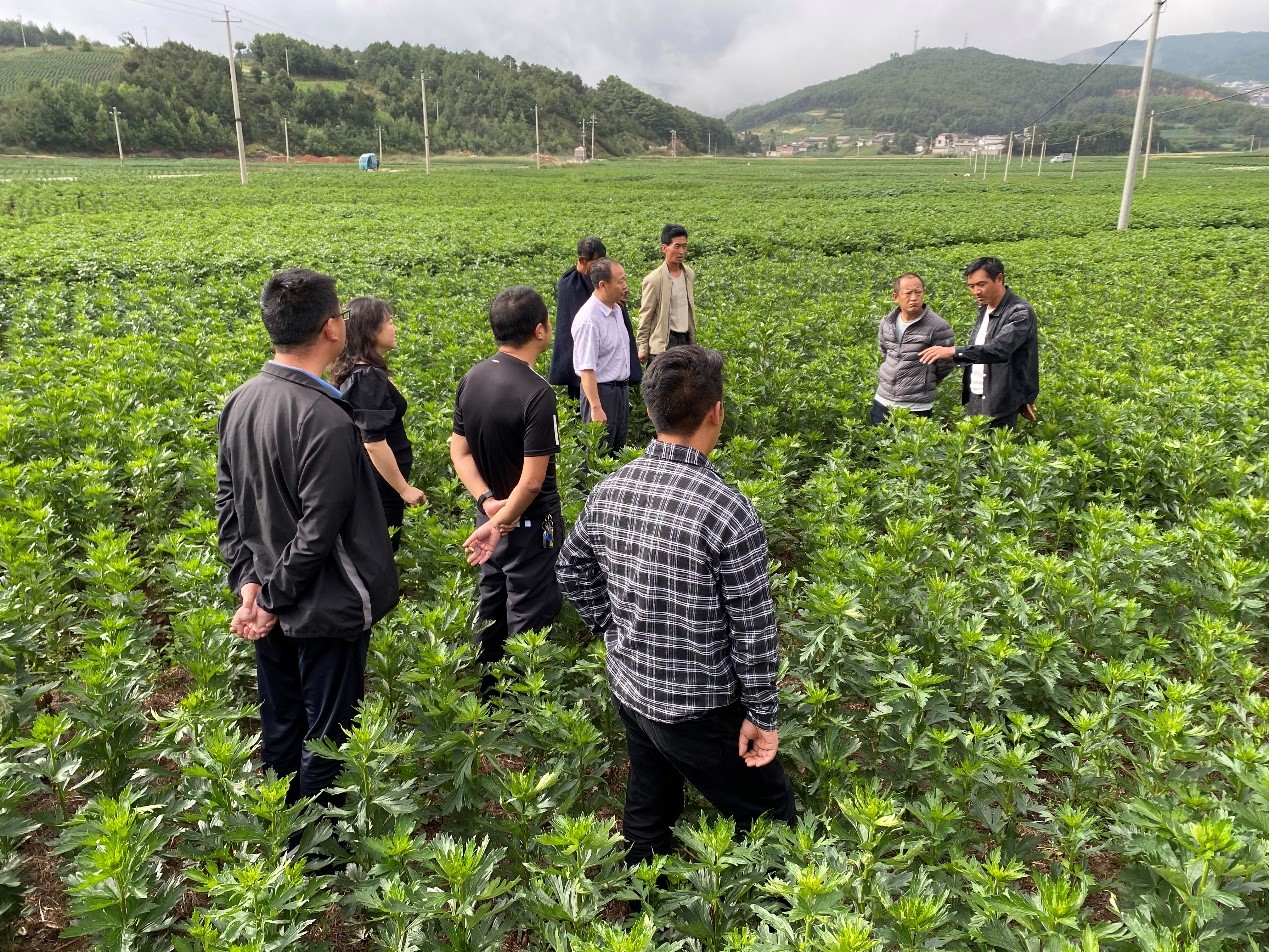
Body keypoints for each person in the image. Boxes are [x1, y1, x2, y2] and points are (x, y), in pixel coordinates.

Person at [553, 345, 797, 866]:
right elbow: (753, 629)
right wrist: (762, 715)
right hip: (701, 707)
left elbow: (570, 569)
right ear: (717, 412)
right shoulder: (727, 510)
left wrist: (613, 628)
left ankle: (645, 901)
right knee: (772, 819)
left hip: (632, 686)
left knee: (650, 802)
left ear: (649, 410)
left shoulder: (611, 488)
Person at [216, 268, 399, 806]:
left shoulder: (242, 400)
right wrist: (270, 598)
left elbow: (228, 502)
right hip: (323, 606)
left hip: (270, 598)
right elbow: (319, 530)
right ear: (331, 329)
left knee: (282, 722)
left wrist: (250, 586)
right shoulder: (325, 417)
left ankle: (281, 830)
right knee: (329, 737)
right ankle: (318, 847)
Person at [451, 286, 563, 691]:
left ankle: (488, 694)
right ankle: (520, 705)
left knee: (493, 600)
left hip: (489, 516)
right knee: (529, 609)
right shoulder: (537, 393)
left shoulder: (473, 378)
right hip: (526, 523)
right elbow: (532, 481)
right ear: (540, 330)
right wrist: (503, 520)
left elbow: (459, 451)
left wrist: (486, 502)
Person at [330, 297, 427, 551]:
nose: (395, 328)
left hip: (380, 483)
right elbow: (373, 442)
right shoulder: (366, 377)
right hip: (380, 486)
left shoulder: (364, 373)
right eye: (389, 322)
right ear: (371, 331)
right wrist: (404, 489)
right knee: (381, 551)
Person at [919, 256, 1038, 429]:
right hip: (976, 397)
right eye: (972, 286)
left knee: (994, 446)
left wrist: (953, 351)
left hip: (1000, 402)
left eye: (981, 284)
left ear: (999, 279)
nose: (976, 291)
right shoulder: (985, 308)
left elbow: (999, 350)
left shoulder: (1019, 312)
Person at [572, 257, 641, 455]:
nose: (625, 286)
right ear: (603, 285)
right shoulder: (589, 319)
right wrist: (596, 407)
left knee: (617, 452)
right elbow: (586, 369)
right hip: (601, 393)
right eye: (620, 281)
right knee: (598, 454)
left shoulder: (616, 310)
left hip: (620, 391)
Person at [871, 273, 956, 424]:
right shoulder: (887, 322)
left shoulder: (938, 326)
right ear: (896, 297)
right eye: (908, 293)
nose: (914, 298)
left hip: (916, 406)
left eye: (918, 292)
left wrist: (923, 382)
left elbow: (946, 364)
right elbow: (885, 351)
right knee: (878, 440)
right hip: (883, 401)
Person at [549, 236, 607, 401]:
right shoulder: (570, 282)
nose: (600, 267)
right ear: (582, 260)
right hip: (577, 357)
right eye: (596, 263)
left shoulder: (601, 280)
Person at [637, 224, 697, 365]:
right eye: (677, 246)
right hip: (664, 343)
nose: (681, 251)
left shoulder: (689, 274)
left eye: (684, 246)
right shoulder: (654, 279)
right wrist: (643, 347)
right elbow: (646, 315)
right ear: (664, 248)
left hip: (685, 341)